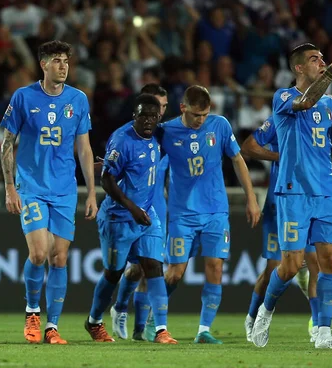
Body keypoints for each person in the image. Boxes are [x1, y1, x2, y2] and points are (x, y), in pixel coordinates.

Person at [242, 94, 332, 343]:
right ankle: (257, 315)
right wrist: (281, 158)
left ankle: (320, 328)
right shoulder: (285, 108)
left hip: (322, 192)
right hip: (286, 197)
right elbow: (248, 146)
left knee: (322, 262)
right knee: (279, 267)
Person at [250, 43, 332, 349]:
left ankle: (323, 330)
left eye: (323, 59)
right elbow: (306, 102)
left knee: (330, 261)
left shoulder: (330, 106)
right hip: (293, 193)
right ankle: (265, 311)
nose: (321, 62)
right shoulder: (283, 97)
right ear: (298, 68)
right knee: (292, 265)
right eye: (315, 59)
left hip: (325, 192)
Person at [146, 85, 261, 344]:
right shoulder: (166, 131)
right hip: (182, 213)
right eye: (197, 114)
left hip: (215, 211)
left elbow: (238, 160)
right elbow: (148, 161)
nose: (201, 120)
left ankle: (203, 330)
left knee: (215, 268)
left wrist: (251, 198)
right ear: (183, 108)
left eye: (205, 114)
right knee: (175, 272)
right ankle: (154, 319)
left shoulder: (219, 125)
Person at [0, 40, 98, 345]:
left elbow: (84, 149)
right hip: (31, 186)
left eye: (66, 60)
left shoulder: (78, 100)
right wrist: (9, 187)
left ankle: (52, 327)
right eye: (56, 60)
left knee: (59, 257)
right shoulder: (23, 97)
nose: (63, 66)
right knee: (39, 253)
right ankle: (32, 311)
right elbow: (6, 144)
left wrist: (92, 192)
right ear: (43, 64)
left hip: (65, 190)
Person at [84, 94, 177, 344]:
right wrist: (132, 208)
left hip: (147, 214)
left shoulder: (159, 134)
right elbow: (107, 180)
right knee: (113, 274)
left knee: (154, 267)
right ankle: (93, 322)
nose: (147, 121)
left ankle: (160, 330)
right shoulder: (122, 140)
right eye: (142, 116)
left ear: (159, 118)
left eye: (152, 116)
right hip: (118, 217)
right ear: (134, 116)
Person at [109, 84, 170, 341]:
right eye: (155, 107)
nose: (159, 113)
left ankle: (142, 330)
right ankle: (120, 308)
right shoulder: (127, 136)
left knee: (152, 267)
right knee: (135, 270)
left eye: (164, 108)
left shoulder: (164, 134)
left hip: (158, 207)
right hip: (133, 208)